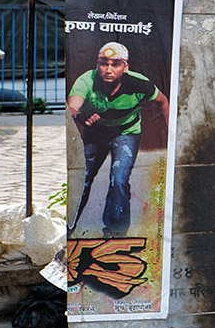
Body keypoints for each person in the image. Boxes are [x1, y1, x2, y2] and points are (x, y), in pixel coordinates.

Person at [66, 41, 168, 236]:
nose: (109, 69)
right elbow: (73, 104)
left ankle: (116, 231)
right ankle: (70, 226)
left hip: (126, 132)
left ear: (125, 67)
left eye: (116, 64)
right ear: (98, 64)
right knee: (83, 179)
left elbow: (163, 102)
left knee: (119, 179)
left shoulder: (140, 83)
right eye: (104, 63)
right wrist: (80, 115)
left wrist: (173, 135)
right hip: (96, 133)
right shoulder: (88, 79)